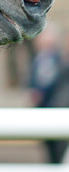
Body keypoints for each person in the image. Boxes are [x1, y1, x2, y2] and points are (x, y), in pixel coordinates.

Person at [28, 25, 66, 163]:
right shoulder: (36, 59)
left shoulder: (61, 60)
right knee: (46, 146)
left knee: (58, 147)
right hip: (41, 109)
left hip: (55, 109)